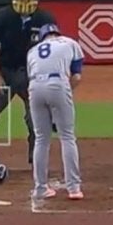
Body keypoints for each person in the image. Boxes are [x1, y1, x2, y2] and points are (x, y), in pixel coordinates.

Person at [0, 0, 58, 169]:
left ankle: (36, 158)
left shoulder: (45, 19)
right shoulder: (2, 17)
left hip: (32, 75)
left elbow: (53, 47)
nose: (25, 1)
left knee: (35, 116)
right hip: (6, 70)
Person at [26, 23, 84, 201]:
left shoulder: (32, 51)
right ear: (57, 34)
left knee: (41, 139)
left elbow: (31, 74)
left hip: (34, 88)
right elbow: (76, 76)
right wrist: (63, 96)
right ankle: (73, 188)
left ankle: (40, 188)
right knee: (67, 136)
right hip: (58, 83)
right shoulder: (70, 43)